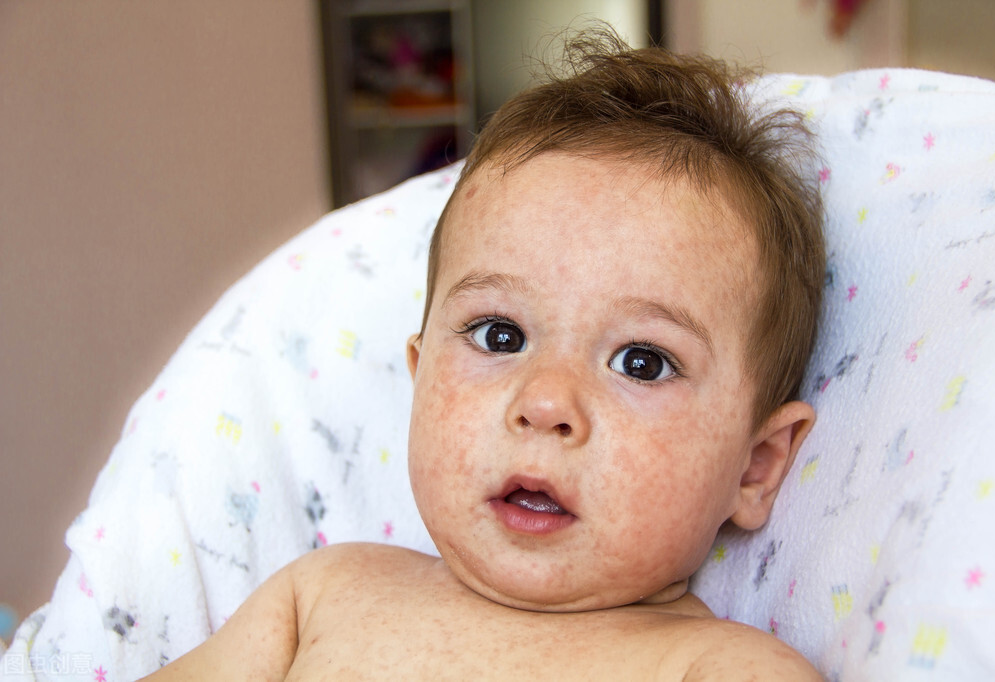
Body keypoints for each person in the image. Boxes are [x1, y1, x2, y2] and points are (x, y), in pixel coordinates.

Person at [145, 28, 825, 680]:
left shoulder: (714, 667)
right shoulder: (321, 596)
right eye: (500, 336)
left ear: (755, 467)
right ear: (419, 382)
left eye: (641, 361)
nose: (546, 402)